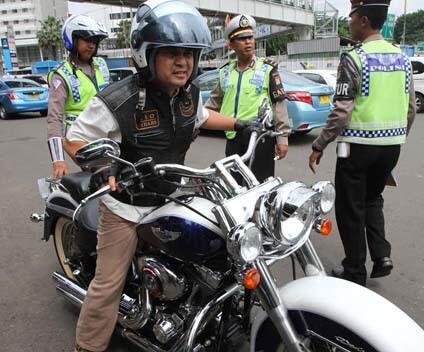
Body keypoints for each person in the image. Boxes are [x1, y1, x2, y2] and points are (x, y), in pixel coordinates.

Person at [63, 1, 260, 351]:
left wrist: (242, 124)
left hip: (174, 193)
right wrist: (102, 166)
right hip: (127, 205)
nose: (183, 61)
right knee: (108, 285)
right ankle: (87, 345)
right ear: (146, 54)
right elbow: (75, 137)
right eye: (171, 53)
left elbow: (203, 118)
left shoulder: (189, 95)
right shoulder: (119, 99)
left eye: (189, 52)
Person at [308, 0, 416, 287]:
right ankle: (381, 256)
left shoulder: (354, 58)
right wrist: (394, 138)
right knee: (373, 198)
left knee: (350, 208)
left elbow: (342, 111)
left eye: (352, 16)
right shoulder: (403, 59)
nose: (349, 22)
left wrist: (320, 144)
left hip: (356, 148)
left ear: (364, 20)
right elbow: (411, 109)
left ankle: (354, 270)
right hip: (392, 146)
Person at [205, 14, 291, 183]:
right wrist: (195, 123)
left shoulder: (267, 69)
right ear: (231, 44)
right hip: (233, 136)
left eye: (250, 37)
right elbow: (212, 103)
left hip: (260, 138)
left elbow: (278, 105)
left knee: (260, 186)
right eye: (242, 39)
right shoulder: (225, 72)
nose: (248, 42)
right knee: (234, 185)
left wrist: (283, 138)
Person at [47, 15, 110, 179]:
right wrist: (58, 160)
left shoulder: (101, 66)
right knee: (105, 176)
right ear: (72, 39)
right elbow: (55, 118)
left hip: (104, 132)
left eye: (95, 41)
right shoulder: (61, 75)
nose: (91, 45)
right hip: (78, 136)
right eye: (86, 39)